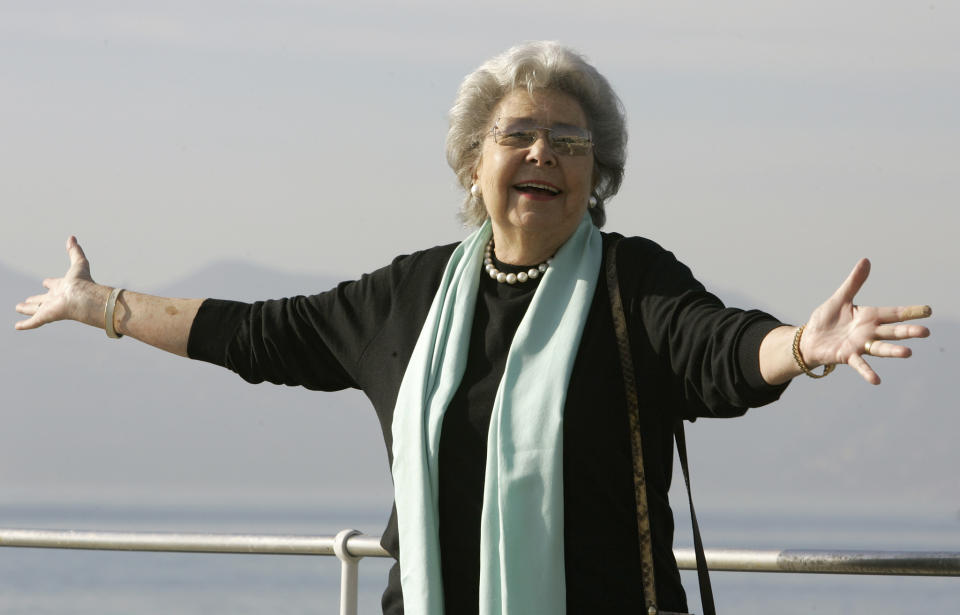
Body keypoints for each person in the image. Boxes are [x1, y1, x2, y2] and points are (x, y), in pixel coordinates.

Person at [14, 41, 931, 614]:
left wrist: (802, 349)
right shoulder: (407, 297)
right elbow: (257, 334)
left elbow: (719, 348)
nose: (544, 154)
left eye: (571, 144)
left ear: (596, 177)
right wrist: (102, 305)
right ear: (472, 164)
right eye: (520, 134)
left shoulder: (632, 280)